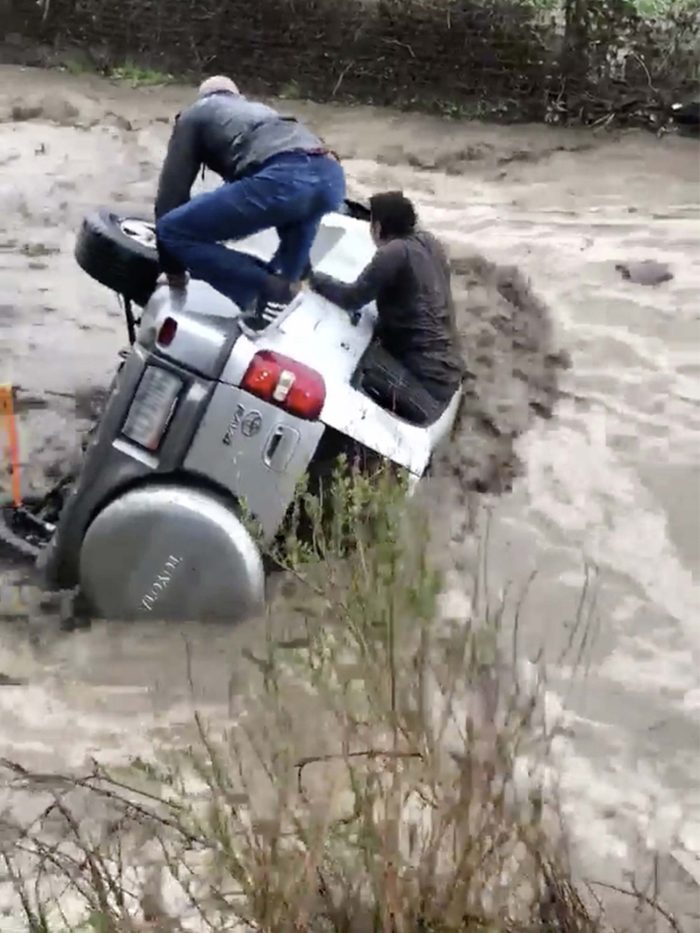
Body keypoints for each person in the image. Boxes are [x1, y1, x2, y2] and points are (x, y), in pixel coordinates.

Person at [154, 75, 346, 318]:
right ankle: (283, 299)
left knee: (172, 230)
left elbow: (170, 197)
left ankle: (263, 291)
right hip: (330, 176)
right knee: (289, 277)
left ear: (203, 97)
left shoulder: (195, 114)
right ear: (236, 95)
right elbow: (293, 190)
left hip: (285, 175)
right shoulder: (260, 110)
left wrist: (174, 273)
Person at [307, 191, 464, 425]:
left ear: (378, 227)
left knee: (349, 363)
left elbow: (352, 297)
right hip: (448, 378)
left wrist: (310, 277)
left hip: (423, 394)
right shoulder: (431, 244)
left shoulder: (394, 253)